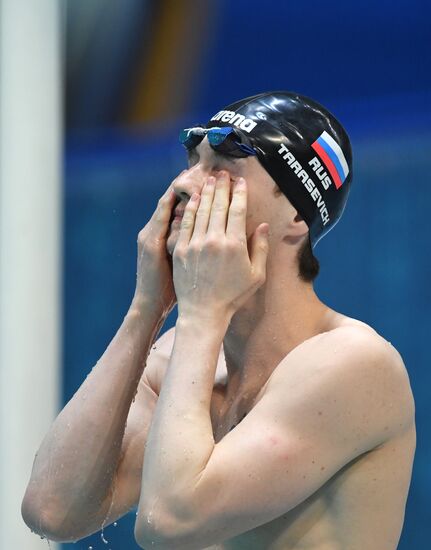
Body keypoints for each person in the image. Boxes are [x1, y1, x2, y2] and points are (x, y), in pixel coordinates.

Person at [22, 92, 416, 549]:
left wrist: (202, 313)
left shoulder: (355, 364)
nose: (186, 183)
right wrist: (148, 308)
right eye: (192, 159)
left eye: (225, 166)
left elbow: (167, 522)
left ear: (295, 215)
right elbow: (51, 510)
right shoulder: (182, 355)